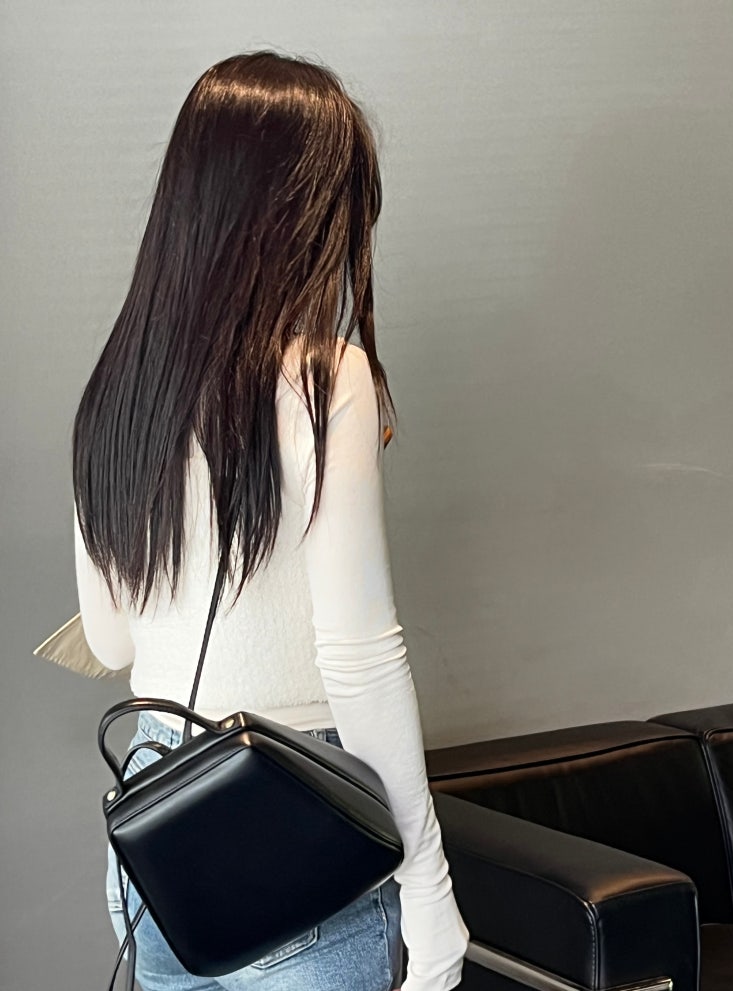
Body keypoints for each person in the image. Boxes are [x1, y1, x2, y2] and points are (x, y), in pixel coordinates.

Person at [72, 50, 470, 991]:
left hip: (156, 821)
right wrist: (428, 884)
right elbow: (360, 657)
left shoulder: (114, 392)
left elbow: (111, 638)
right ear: (301, 215)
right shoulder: (326, 379)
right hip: (287, 813)